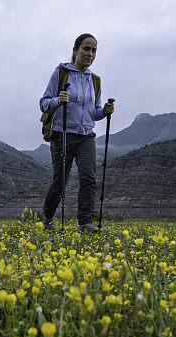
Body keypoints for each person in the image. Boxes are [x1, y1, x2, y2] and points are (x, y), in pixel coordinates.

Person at [40, 33, 114, 234]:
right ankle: (47, 217)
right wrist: (57, 100)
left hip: (85, 136)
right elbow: (43, 103)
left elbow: (94, 113)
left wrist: (104, 112)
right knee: (61, 181)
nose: (90, 54)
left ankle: (85, 224)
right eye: (86, 49)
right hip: (61, 134)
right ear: (75, 50)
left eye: (94, 50)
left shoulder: (95, 80)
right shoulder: (61, 73)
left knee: (89, 178)